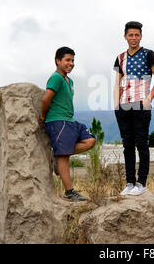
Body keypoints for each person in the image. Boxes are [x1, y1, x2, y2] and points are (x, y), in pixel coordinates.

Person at [113, 21, 154, 196]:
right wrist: (116, 105)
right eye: (130, 35)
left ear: (141, 36)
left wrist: (148, 99)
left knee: (141, 143)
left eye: (136, 35)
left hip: (141, 104)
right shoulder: (120, 57)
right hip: (124, 105)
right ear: (125, 36)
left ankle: (142, 183)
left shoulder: (149, 54)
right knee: (127, 145)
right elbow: (117, 83)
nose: (133, 38)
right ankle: (129, 182)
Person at [41, 46, 96, 202]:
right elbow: (46, 99)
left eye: (72, 60)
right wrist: (43, 117)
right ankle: (69, 192)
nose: (71, 63)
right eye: (67, 60)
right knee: (64, 156)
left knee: (90, 140)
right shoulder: (56, 78)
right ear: (58, 61)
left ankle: (57, 154)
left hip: (70, 120)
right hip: (57, 121)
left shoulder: (69, 80)